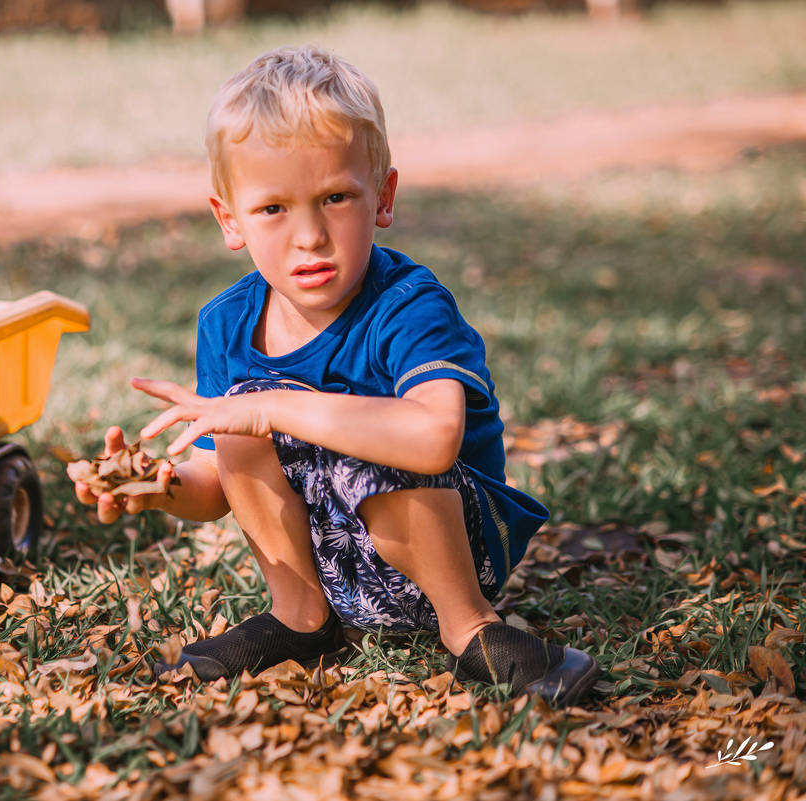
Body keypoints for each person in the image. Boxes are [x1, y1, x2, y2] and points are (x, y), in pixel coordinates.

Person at [70, 46, 600, 706]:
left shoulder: (407, 304)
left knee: (358, 429)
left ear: (382, 196)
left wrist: (271, 408)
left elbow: (433, 438)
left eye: (334, 197)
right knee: (236, 425)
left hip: (449, 550)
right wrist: (160, 483)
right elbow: (218, 482)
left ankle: (470, 628)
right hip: (334, 562)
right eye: (273, 209)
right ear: (229, 218)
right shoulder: (226, 323)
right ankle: (300, 616)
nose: (310, 236)